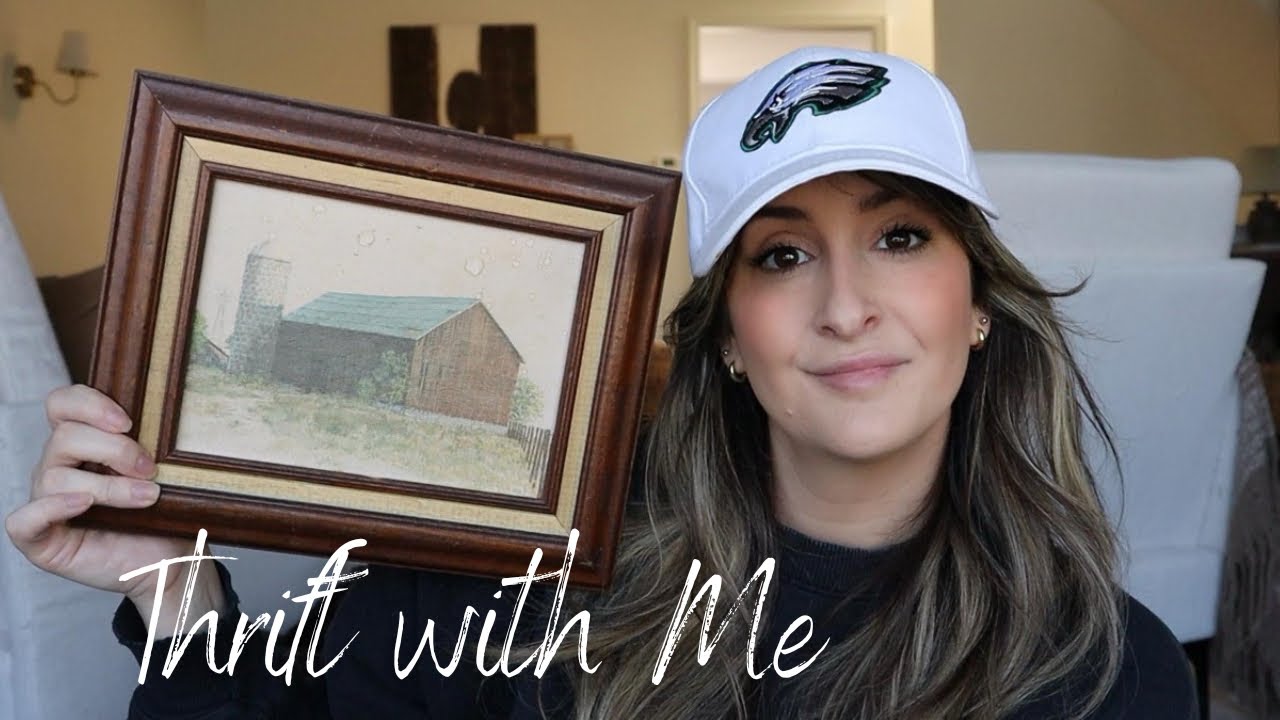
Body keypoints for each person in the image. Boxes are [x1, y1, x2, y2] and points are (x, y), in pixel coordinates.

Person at [6, 47, 1197, 719]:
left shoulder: (1107, 670)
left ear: (975, 302)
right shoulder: (527, 585)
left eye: (899, 238)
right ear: (726, 337)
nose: (845, 307)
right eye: (781, 256)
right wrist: (172, 590)